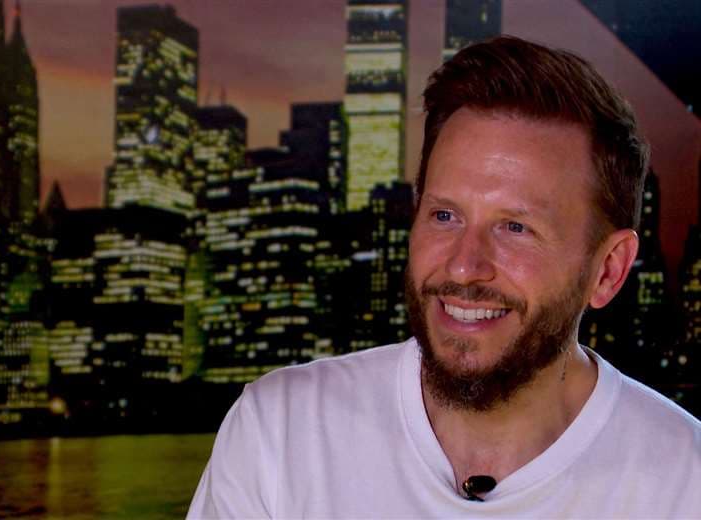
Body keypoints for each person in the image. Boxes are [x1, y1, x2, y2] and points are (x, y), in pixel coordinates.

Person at [188, 36, 701, 518]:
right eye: (444, 215)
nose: (463, 265)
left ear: (608, 270)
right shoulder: (280, 433)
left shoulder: (685, 481)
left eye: (515, 227)